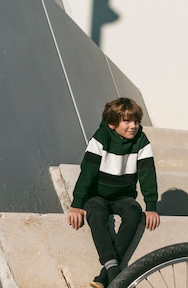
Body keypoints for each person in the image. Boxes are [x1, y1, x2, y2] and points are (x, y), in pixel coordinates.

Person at [67, 97, 160, 288]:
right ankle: (114, 271)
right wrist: (77, 204)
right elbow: (88, 172)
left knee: (134, 212)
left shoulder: (141, 141)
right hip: (97, 195)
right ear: (112, 124)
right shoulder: (101, 137)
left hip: (123, 197)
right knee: (95, 211)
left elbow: (147, 175)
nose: (133, 126)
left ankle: (106, 274)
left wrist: (151, 206)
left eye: (136, 121)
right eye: (126, 121)